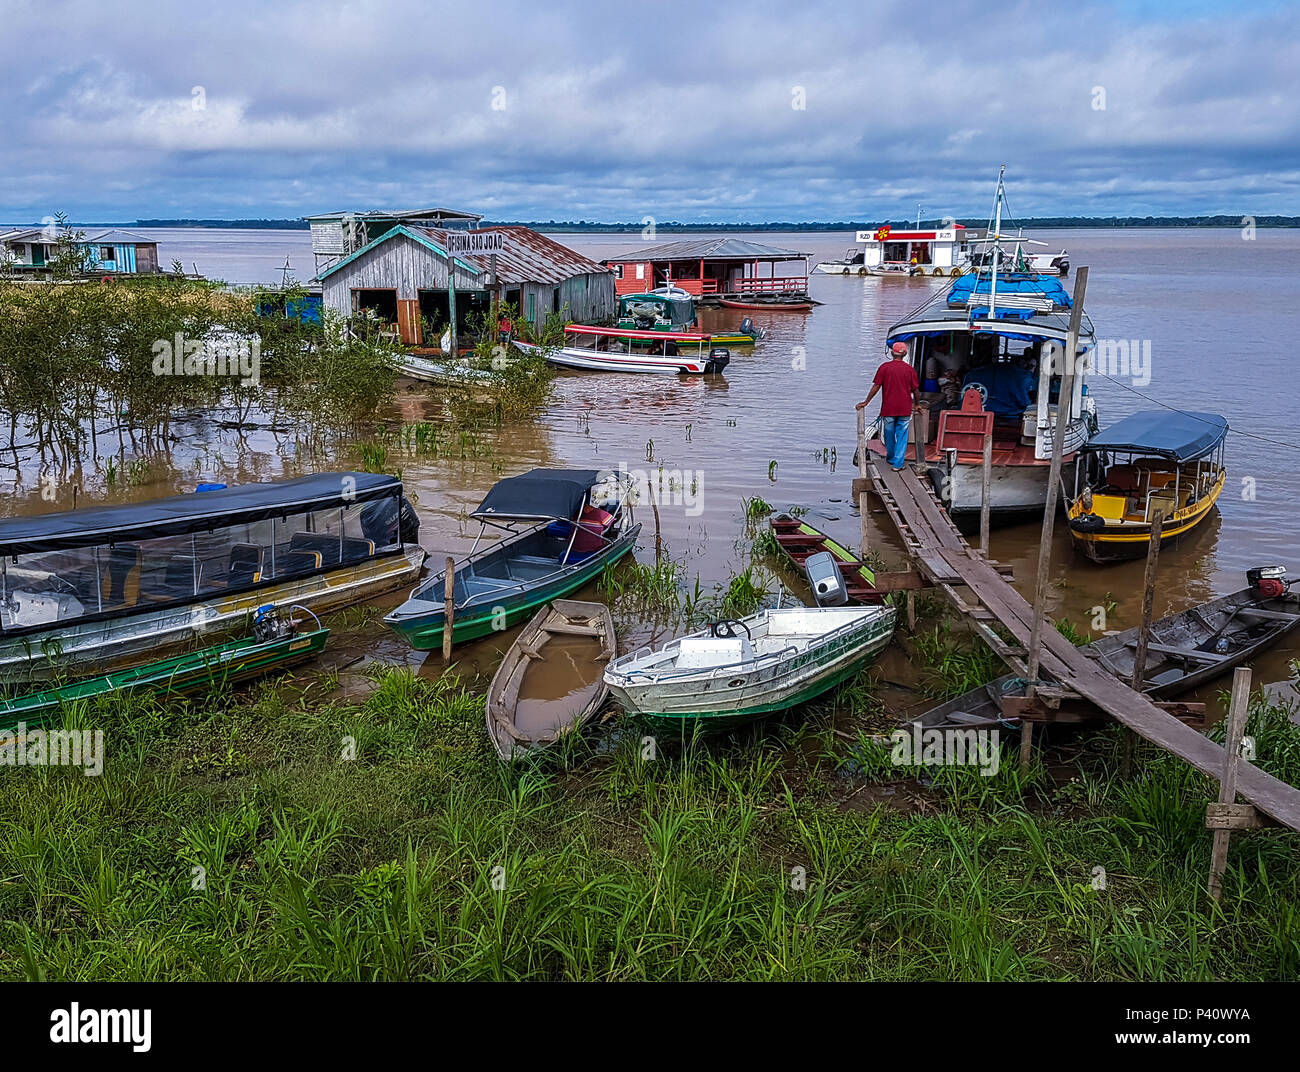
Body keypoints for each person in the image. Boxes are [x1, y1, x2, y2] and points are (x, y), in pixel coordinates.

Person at [857, 341, 920, 470]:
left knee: (889, 434)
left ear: (892, 353)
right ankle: (898, 464)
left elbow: (876, 387)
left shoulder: (884, 367)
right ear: (905, 354)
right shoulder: (910, 370)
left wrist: (866, 402)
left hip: (888, 409)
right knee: (902, 436)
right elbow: (916, 390)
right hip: (905, 409)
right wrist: (917, 404)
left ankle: (891, 458)